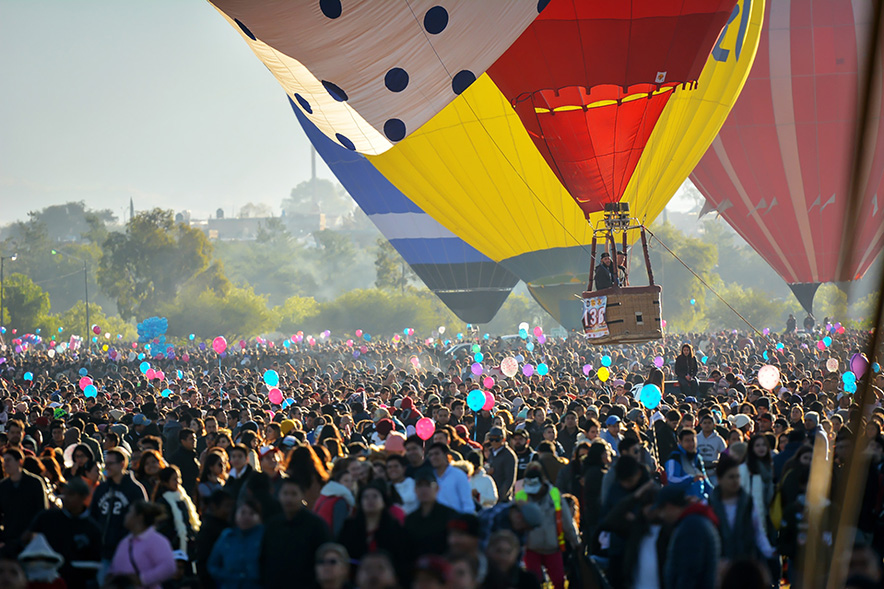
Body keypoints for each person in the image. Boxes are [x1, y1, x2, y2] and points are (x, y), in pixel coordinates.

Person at [28, 477, 102, 589]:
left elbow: (94, 563)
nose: (66, 498)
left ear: (83, 497)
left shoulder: (92, 529)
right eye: (65, 493)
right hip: (47, 582)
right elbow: (27, 540)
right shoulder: (46, 519)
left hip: (76, 583)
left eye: (71, 494)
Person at [515, 464, 578, 589]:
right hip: (531, 548)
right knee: (533, 584)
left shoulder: (555, 494)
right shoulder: (521, 497)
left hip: (553, 547)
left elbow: (567, 521)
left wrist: (576, 542)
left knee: (559, 581)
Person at [260, 478, 331, 588]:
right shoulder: (272, 525)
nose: (289, 499)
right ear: (279, 495)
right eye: (285, 493)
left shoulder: (316, 525)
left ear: (302, 496)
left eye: (294, 494)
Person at [89, 447, 148, 574]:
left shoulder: (135, 490)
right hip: (103, 551)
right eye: (106, 464)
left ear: (122, 464)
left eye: (110, 464)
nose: (107, 467)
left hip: (127, 552)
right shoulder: (102, 489)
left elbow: (142, 520)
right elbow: (93, 515)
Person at [337, 480, 411, 580]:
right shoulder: (349, 527)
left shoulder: (395, 528)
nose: (370, 500)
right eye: (366, 497)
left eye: (375, 496)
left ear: (383, 501)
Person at [709, 456, 775, 562]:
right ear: (720, 479)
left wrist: (769, 551)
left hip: (744, 563)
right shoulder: (709, 505)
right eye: (731, 477)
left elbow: (758, 532)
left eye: (737, 476)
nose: (735, 481)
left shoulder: (748, 503)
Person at [655, 486, 720, 589]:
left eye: (662, 510)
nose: (662, 516)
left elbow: (689, 571)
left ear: (669, 506)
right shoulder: (695, 522)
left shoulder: (691, 527)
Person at [106, 501, 177, 589]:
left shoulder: (156, 541)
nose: (126, 516)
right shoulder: (126, 541)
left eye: (130, 512)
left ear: (139, 517)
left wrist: (142, 579)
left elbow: (168, 567)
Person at [207, 499, 264, 589]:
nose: (246, 517)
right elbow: (213, 564)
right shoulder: (227, 536)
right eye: (242, 513)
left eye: (252, 513)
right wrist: (225, 576)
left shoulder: (264, 537)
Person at [0, 447, 49, 549]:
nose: (5, 464)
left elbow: (42, 511)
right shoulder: (3, 486)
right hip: (9, 538)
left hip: (32, 538)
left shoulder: (35, 483)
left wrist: (32, 531)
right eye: (4, 461)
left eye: (9, 460)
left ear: (20, 462)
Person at [405, 470, 458, 557]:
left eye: (428, 485)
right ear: (415, 490)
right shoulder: (410, 519)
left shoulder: (450, 515)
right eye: (420, 485)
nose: (423, 490)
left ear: (437, 488)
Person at [154, 465, 201, 557]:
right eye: (174, 479)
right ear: (165, 482)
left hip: (188, 547)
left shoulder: (182, 499)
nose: (178, 482)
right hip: (171, 548)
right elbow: (163, 527)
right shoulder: (162, 502)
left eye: (179, 478)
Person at [194, 490, 234, 589]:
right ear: (214, 507)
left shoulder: (228, 526)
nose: (230, 510)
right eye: (227, 506)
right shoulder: (209, 531)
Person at [664, 429, 711, 500]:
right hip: (682, 503)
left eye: (693, 440)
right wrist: (691, 479)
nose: (691, 444)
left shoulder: (698, 458)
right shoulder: (675, 458)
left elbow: (705, 481)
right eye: (687, 441)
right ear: (680, 442)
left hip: (699, 501)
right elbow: (671, 479)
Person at [314, 458, 356, 537]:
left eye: (351, 481)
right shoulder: (340, 501)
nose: (349, 484)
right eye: (346, 481)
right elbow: (338, 528)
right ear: (338, 482)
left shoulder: (325, 494)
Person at [427, 442, 474, 513]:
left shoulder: (459, 475)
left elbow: (467, 504)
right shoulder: (428, 476)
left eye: (437, 454)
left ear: (446, 456)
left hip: (455, 520)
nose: (433, 457)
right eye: (431, 455)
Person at [486, 427, 517, 502]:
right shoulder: (491, 453)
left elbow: (509, 480)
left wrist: (500, 497)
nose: (494, 442)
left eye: (497, 439)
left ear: (503, 439)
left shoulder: (509, 455)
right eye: (491, 439)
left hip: (503, 499)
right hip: (490, 496)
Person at [169, 428, 200, 501]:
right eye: (191, 439)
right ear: (183, 441)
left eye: (195, 438)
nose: (194, 441)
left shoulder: (193, 455)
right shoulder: (177, 458)